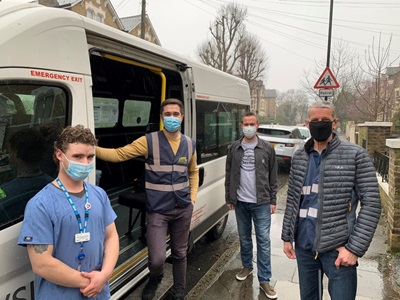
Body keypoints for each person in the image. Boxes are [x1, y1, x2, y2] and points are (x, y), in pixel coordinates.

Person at [95, 98, 198, 300]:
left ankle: (179, 290)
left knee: (180, 253)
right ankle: (155, 278)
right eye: (167, 114)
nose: (172, 118)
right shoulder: (148, 141)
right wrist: (90, 149)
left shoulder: (189, 144)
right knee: (157, 258)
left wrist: (192, 199)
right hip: (158, 211)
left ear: (182, 116)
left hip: (183, 208)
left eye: (175, 114)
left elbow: (193, 173)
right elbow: (118, 155)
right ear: (161, 117)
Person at [281, 101, 381, 300]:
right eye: (315, 120)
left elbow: (372, 204)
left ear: (335, 123)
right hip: (305, 247)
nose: (319, 124)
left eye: (325, 120)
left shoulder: (355, 156)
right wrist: (286, 237)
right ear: (307, 123)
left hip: (338, 251)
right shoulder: (300, 155)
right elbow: (293, 199)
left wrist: (354, 249)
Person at [18, 125, 119, 299]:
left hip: (98, 293)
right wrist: (91, 283)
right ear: (59, 155)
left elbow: (111, 236)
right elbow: (42, 264)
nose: (85, 163)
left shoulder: (99, 195)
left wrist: (104, 275)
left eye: (90, 157)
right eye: (78, 156)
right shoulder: (40, 204)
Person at [225, 112, 278, 299]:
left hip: (261, 202)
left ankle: (265, 280)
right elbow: (229, 174)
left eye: (252, 123)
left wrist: (273, 200)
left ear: (257, 125)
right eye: (245, 124)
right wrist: (229, 198)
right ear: (241, 125)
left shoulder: (267, 148)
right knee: (244, 238)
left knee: (263, 240)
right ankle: (247, 266)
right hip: (241, 202)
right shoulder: (234, 148)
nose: (248, 127)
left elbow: (273, 175)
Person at [0, 128, 53, 224]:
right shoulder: (54, 186)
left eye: (9, 152)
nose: (9, 156)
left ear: (15, 154)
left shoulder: (5, 192)